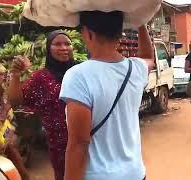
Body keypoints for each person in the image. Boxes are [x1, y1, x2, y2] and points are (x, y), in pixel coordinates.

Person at [59, 11, 154, 180]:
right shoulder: (136, 69)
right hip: (136, 173)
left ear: (88, 33)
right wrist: (141, 21)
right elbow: (148, 57)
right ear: (119, 33)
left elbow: (79, 143)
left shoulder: (78, 76)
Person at [8, 30, 78, 180]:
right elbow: (15, 101)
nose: (64, 47)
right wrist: (15, 75)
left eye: (67, 43)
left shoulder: (82, 71)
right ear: (48, 48)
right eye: (57, 44)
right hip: (60, 147)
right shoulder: (40, 78)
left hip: (88, 140)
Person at [0, 45, 29, 180]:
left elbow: (8, 98)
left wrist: (2, 116)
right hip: (1, 117)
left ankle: (24, 176)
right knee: (10, 150)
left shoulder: (0, 72)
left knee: (8, 149)